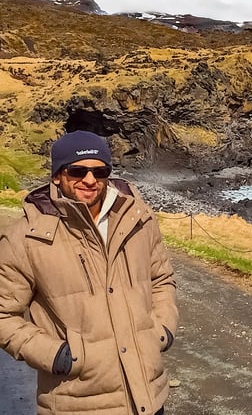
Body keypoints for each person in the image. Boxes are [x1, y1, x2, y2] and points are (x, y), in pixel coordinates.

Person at [0, 130, 178, 415]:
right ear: (57, 175)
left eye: (100, 171)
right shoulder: (26, 238)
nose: (90, 180)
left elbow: (162, 279)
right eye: (77, 170)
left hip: (149, 396)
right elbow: (3, 315)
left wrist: (161, 329)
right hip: (76, 403)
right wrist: (55, 354)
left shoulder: (139, 218)